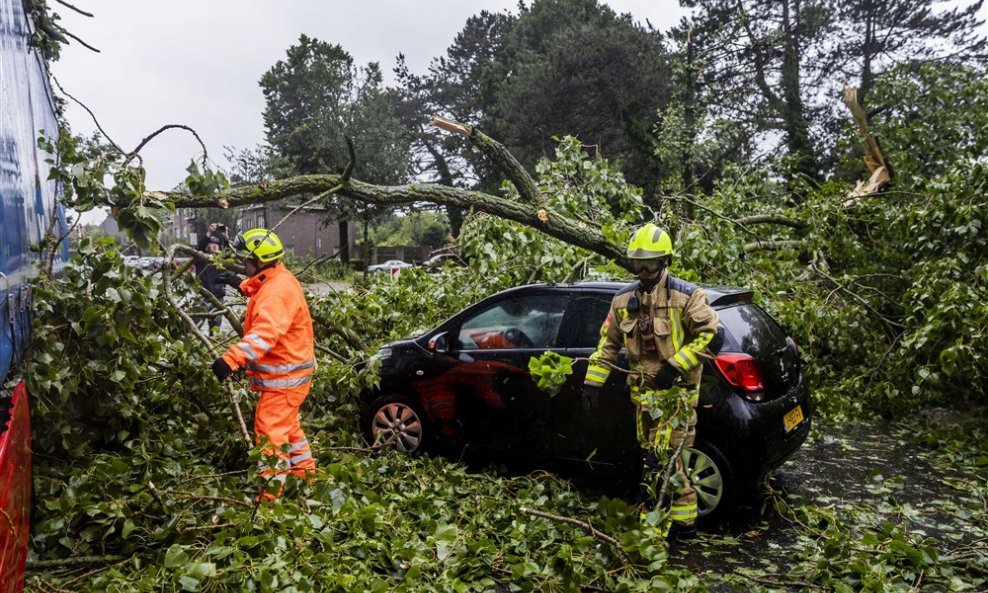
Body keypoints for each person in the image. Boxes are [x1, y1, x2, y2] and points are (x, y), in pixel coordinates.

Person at [582, 223, 721, 538]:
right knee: (671, 461)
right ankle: (685, 522)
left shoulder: (687, 297)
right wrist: (593, 382)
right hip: (642, 399)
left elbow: (713, 337)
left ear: (665, 262)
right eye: (637, 264)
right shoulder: (622, 300)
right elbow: (608, 344)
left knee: (658, 462)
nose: (642, 271)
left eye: (650, 264)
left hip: (677, 400)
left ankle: (651, 526)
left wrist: (676, 364)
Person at [210, 228, 317, 500]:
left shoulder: (275, 293)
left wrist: (229, 360)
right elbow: (264, 292)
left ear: (258, 261)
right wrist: (240, 283)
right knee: (288, 428)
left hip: (284, 378)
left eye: (246, 260)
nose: (243, 263)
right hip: (292, 373)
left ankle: (269, 499)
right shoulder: (276, 279)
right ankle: (306, 476)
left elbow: (264, 334)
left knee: (270, 435)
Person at [194, 226, 236, 333]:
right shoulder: (201, 258)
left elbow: (232, 254)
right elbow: (199, 247)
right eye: (211, 243)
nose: (213, 246)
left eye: (216, 244)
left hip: (218, 296)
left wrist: (226, 238)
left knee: (215, 326)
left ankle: (214, 341)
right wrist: (209, 233)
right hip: (203, 296)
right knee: (195, 324)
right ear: (207, 246)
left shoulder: (223, 260)